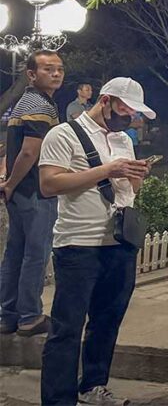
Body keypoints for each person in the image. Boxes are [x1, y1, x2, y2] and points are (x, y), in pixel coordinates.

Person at [37, 77, 155, 406]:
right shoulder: (63, 134)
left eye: (134, 113)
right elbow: (49, 184)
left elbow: (128, 194)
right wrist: (106, 170)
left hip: (119, 244)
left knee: (107, 322)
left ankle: (93, 387)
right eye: (124, 110)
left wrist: (133, 177)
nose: (129, 118)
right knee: (67, 329)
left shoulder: (124, 140)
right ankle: (58, 399)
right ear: (105, 101)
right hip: (78, 245)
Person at [0, 50, 64, 338]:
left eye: (59, 69)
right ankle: (29, 316)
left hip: (20, 194)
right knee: (35, 254)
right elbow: (29, 151)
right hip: (35, 192)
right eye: (48, 69)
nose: (56, 73)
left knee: (15, 253)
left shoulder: (23, 102)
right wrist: (11, 182)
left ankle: (7, 315)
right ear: (31, 74)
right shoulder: (40, 105)